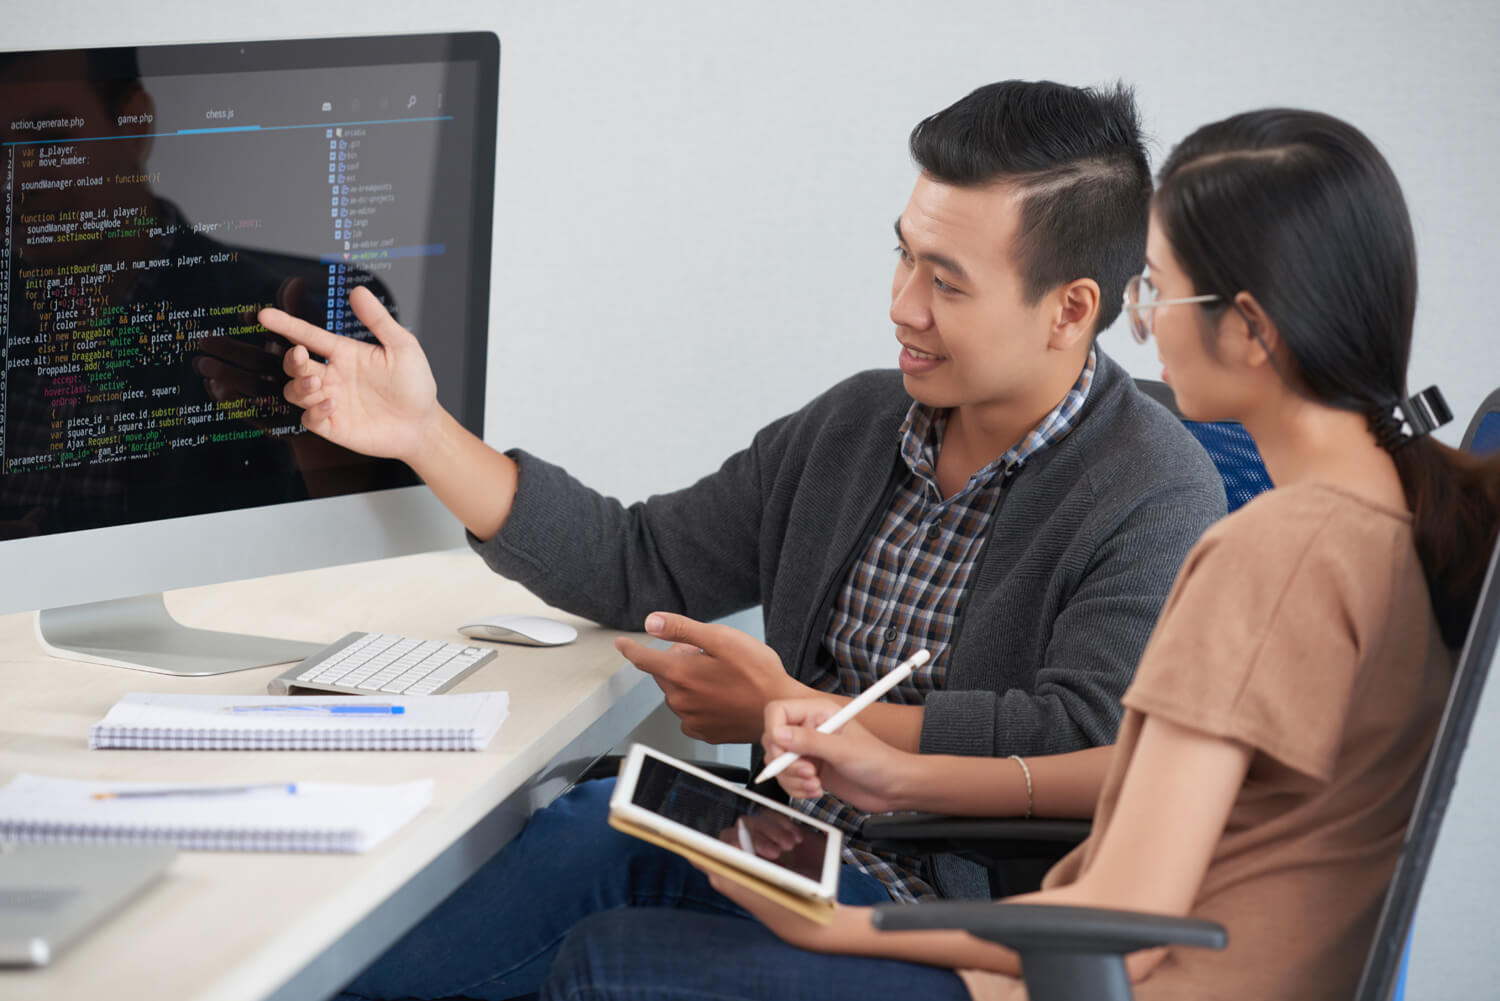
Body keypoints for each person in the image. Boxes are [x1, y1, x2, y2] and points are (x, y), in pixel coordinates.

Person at [259, 80, 1227, 1000]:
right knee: (560, 832)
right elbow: (639, 561)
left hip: (950, 906)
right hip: (800, 834)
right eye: (902, 256)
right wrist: (427, 433)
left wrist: (796, 709)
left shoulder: (1152, 488)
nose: (903, 305)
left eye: (948, 282)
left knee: (590, 877)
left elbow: (1090, 739)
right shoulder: (857, 425)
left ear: (1071, 308)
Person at [537, 108, 1500, 1001]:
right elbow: (1175, 777)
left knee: (609, 955)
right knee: (621, 840)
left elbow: (1126, 932)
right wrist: (901, 773)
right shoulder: (1407, 506)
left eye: (1158, 289)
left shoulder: (1270, 552)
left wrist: (844, 924)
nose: (1142, 322)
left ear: (1251, 328)